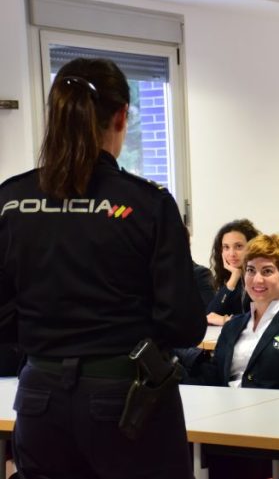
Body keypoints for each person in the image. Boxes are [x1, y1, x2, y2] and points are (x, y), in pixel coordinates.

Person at [0, 58, 206, 479]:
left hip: (39, 397)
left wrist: (49, 338)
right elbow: (183, 323)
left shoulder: (12, 201)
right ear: (121, 116)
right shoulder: (146, 203)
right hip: (126, 399)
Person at [188, 234, 279, 389]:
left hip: (274, 403)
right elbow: (214, 378)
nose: (257, 279)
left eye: (267, 271)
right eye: (251, 270)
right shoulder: (233, 326)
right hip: (226, 401)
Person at [206, 219, 260, 326]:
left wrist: (226, 320)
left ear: (252, 247)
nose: (232, 254)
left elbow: (261, 319)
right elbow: (210, 316)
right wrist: (233, 279)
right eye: (226, 247)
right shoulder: (231, 277)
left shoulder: (262, 278)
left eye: (238, 246)